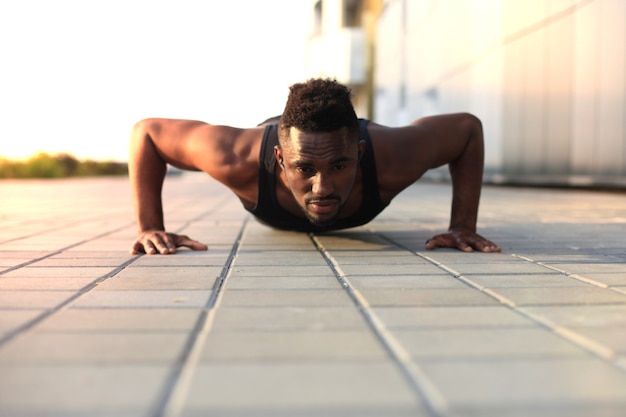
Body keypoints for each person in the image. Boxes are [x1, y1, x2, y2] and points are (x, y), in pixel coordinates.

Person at [129, 78, 500, 255]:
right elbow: (147, 133)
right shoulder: (237, 159)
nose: (322, 187)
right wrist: (150, 227)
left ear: (359, 154)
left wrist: (462, 226)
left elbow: (468, 129)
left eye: (338, 166)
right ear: (279, 160)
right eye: (304, 169)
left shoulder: (394, 155)